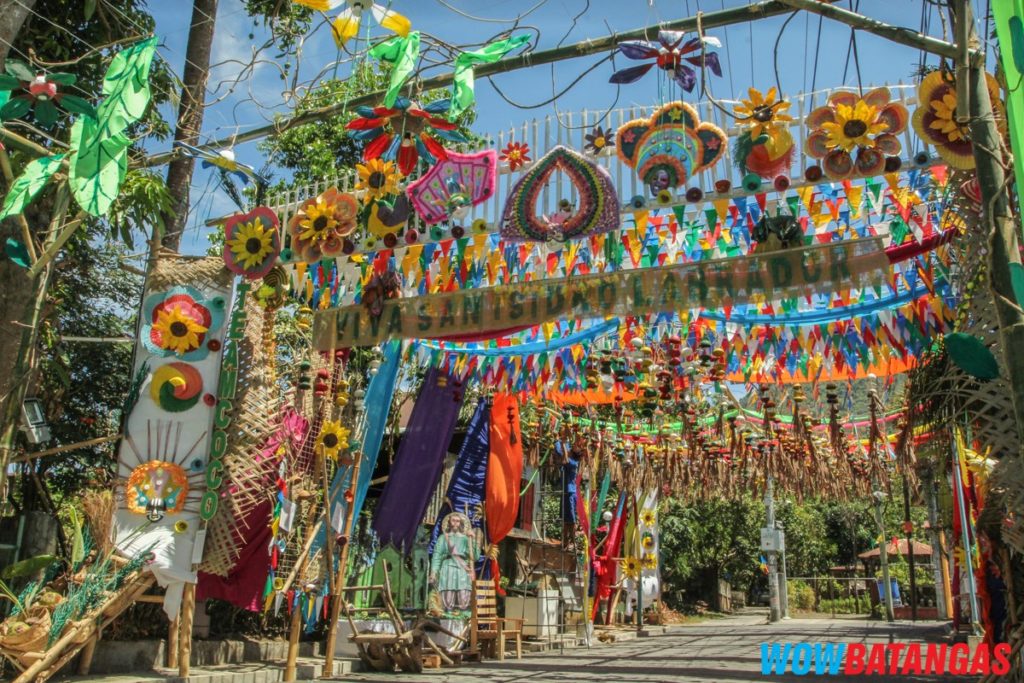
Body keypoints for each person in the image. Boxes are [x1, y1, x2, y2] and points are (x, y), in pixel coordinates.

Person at [429, 512, 478, 615]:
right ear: (449, 522)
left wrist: (472, 540)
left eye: (458, 521)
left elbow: (475, 556)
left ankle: (463, 618)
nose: (455, 523)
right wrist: (433, 572)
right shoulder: (443, 538)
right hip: (448, 569)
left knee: (463, 597)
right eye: (453, 521)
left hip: (462, 570)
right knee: (447, 599)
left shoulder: (466, 539)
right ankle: (446, 617)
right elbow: (437, 556)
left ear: (461, 523)